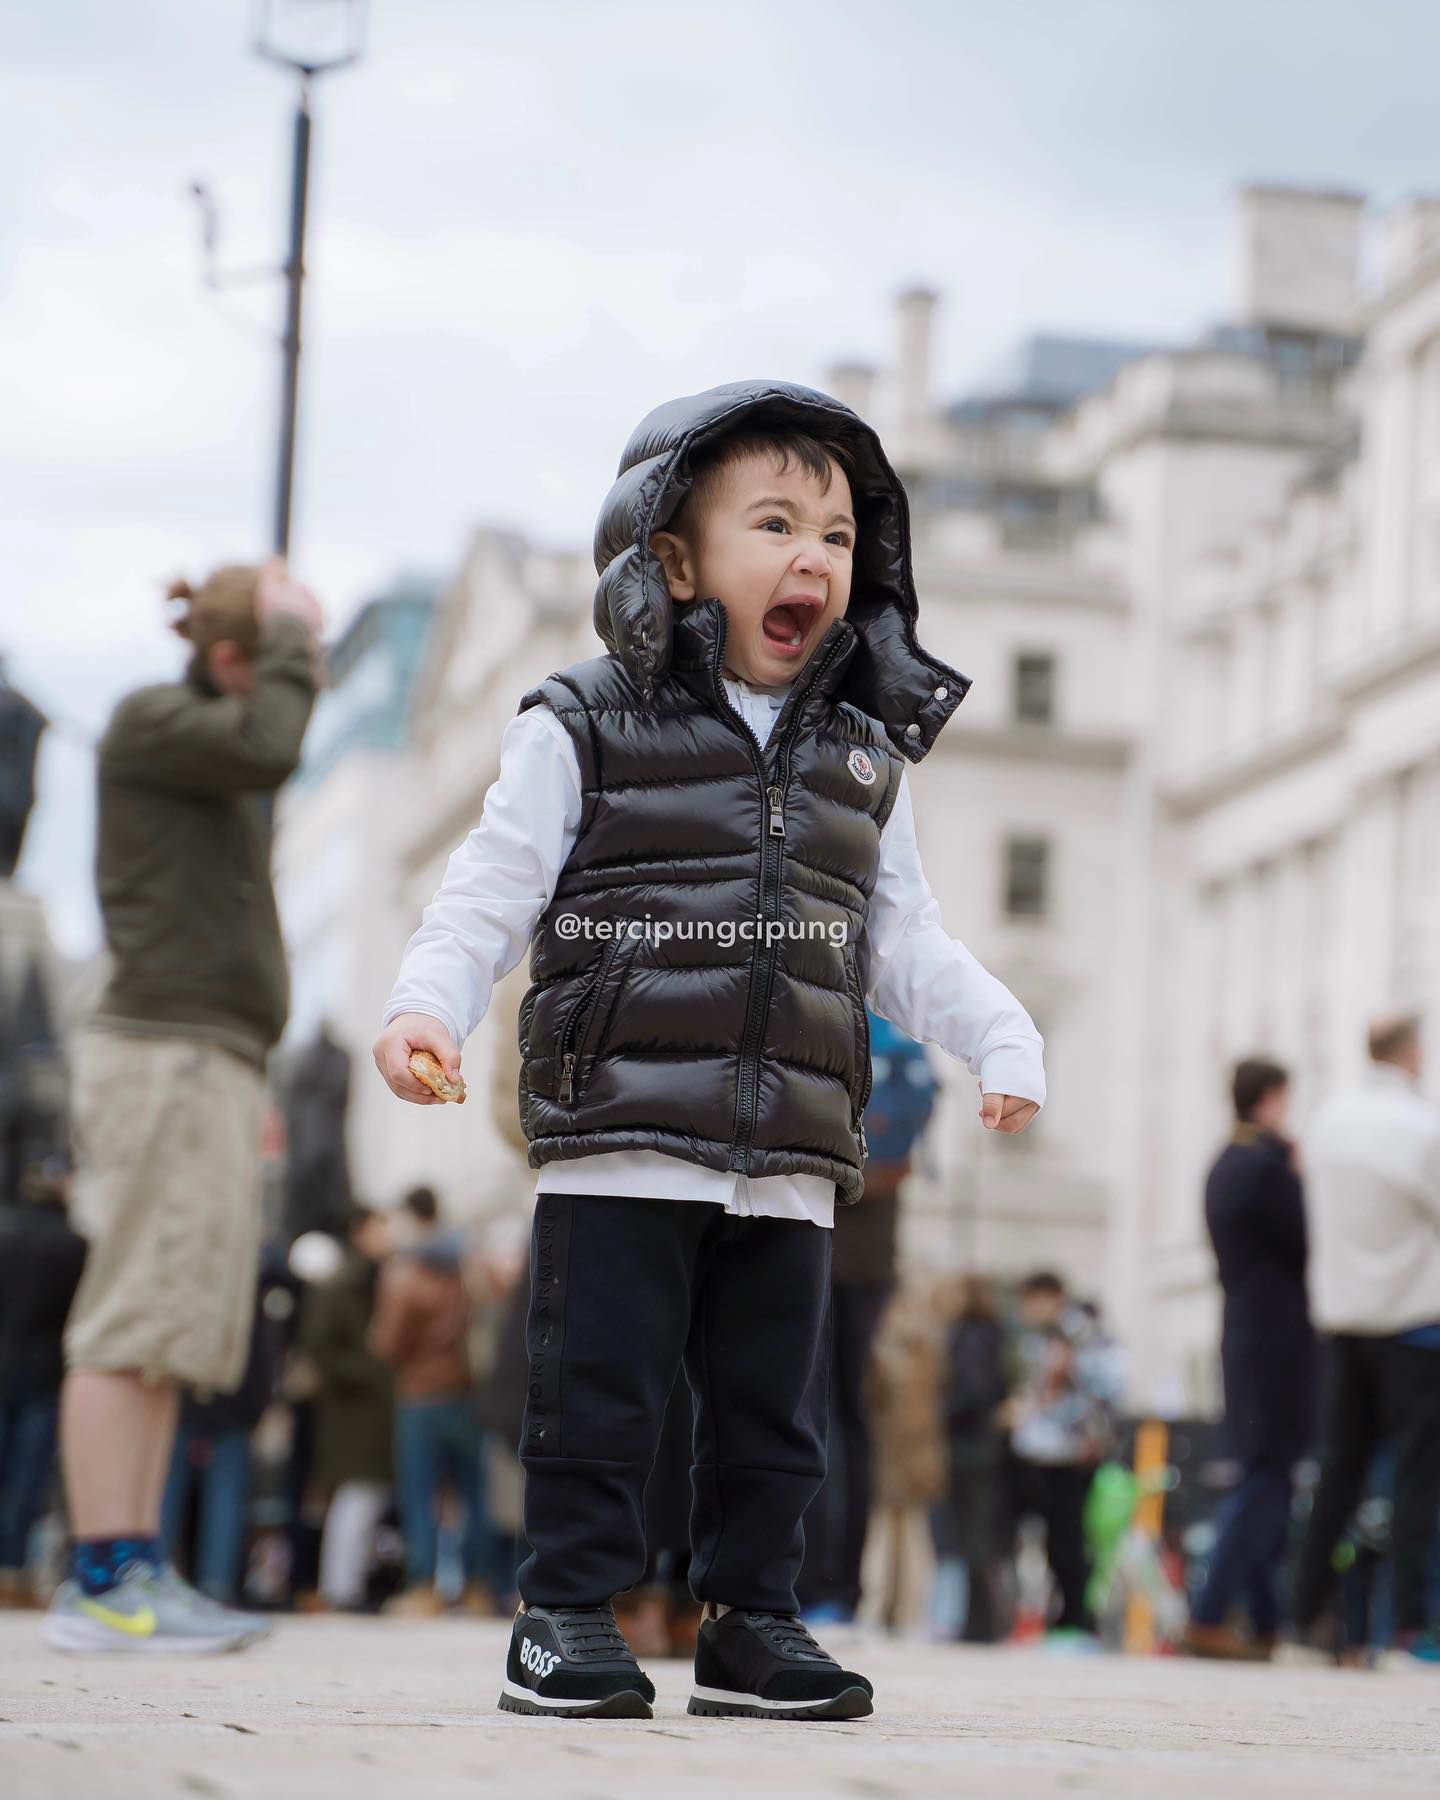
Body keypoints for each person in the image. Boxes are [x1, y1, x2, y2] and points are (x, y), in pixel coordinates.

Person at [374, 380, 1046, 1721]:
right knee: (601, 1398)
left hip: (790, 1152)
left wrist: (1000, 1034)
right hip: (622, 1130)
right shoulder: (584, 718)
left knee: (771, 1417)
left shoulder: (863, 758)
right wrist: (426, 1004)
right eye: (777, 524)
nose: (815, 558)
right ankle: (565, 1612)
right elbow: (491, 886)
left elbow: (903, 938)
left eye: (842, 537)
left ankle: (752, 1619)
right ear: (671, 559)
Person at [43, 560, 321, 1654]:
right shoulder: (154, 718)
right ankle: (103, 1573)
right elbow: (276, 743)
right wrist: (292, 634)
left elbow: (266, 744)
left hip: (204, 1055)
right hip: (163, 1050)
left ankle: (135, 1570)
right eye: (294, 652)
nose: (311, 673)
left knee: (170, 1330)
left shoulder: (195, 738)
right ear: (230, 661)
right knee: (131, 1315)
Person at [1288, 1015, 1440, 1666]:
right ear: (1410, 1053)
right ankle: (1409, 1628)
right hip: (1413, 1323)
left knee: (1337, 1475)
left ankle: (1302, 1621)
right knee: (1416, 1480)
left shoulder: (1328, 1122)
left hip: (1343, 1321)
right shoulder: (1421, 1128)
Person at [800, 1012, 938, 1623]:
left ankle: (806, 1577)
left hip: (815, 1239)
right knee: (852, 1421)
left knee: (807, 1412)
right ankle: (844, 1587)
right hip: (873, 1260)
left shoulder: (820, 1018)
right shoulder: (900, 1043)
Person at [1183, 1058, 1312, 1660]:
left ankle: (1263, 1620)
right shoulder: (1269, 1164)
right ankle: (1211, 1613)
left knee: (1261, 1471)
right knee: (1269, 1474)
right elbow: (1305, 1242)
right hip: (1280, 1337)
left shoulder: (1222, 1163)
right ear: (1270, 1098)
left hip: (1240, 1329)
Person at [369, 1186, 496, 1616]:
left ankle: (425, 1588)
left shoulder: (404, 1272)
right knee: (473, 1495)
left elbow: (387, 1343)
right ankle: (480, 1587)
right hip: (467, 1393)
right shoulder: (468, 1264)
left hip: (420, 1397)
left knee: (421, 1494)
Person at [1006, 1273, 1120, 1637]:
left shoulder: (1082, 1334)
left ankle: (1077, 1618)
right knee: (1049, 1541)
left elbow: (1110, 1386)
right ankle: (1060, 1616)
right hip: (1042, 1452)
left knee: (1069, 1542)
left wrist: (1072, 1370)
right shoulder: (1039, 1337)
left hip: (1072, 1454)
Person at [295, 1206, 396, 1611]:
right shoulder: (341, 1285)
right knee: (355, 1496)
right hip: (351, 1413)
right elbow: (318, 1348)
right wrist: (372, 1371)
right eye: (379, 1226)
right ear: (359, 1232)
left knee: (364, 1497)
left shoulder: (372, 1279)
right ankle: (340, 1589)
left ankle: (346, 1586)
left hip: (369, 1411)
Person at [0, 1157, 86, 1607]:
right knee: (28, 1481)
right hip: (44, 1373)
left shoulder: (4, 1231)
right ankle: (12, 1572)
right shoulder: (72, 1244)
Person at [931, 1274, 1008, 1643]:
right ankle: (982, 1623)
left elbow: (972, 1390)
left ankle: (980, 1624)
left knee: (971, 1537)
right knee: (979, 1536)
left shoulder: (968, 1335)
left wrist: (941, 1412)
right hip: (985, 1446)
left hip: (969, 1447)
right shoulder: (995, 1334)